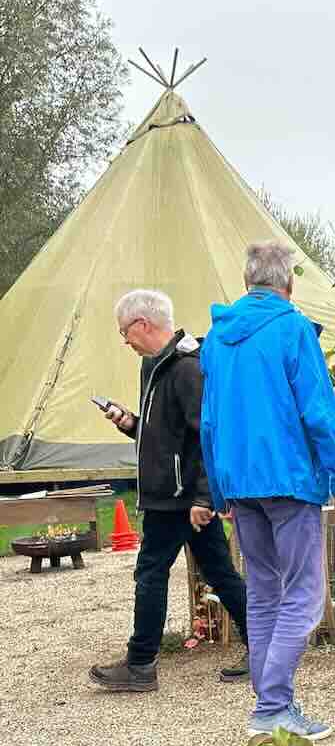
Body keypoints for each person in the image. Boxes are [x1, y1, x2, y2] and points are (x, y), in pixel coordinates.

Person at [200, 242, 335, 742]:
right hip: (289, 479)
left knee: (264, 593)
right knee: (305, 596)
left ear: (248, 283)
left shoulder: (216, 340)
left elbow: (208, 421)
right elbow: (319, 411)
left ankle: (272, 705)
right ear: (287, 284)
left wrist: (219, 489)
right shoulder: (293, 329)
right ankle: (272, 708)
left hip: (240, 483)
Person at [88, 289, 251, 692]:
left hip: (177, 497)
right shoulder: (155, 367)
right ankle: (266, 646)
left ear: (143, 325)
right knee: (219, 570)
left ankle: (141, 663)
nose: (124, 340)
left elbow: (206, 437)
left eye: (125, 331)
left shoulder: (186, 369)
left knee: (150, 572)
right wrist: (130, 423)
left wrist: (202, 496)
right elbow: (164, 433)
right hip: (174, 492)